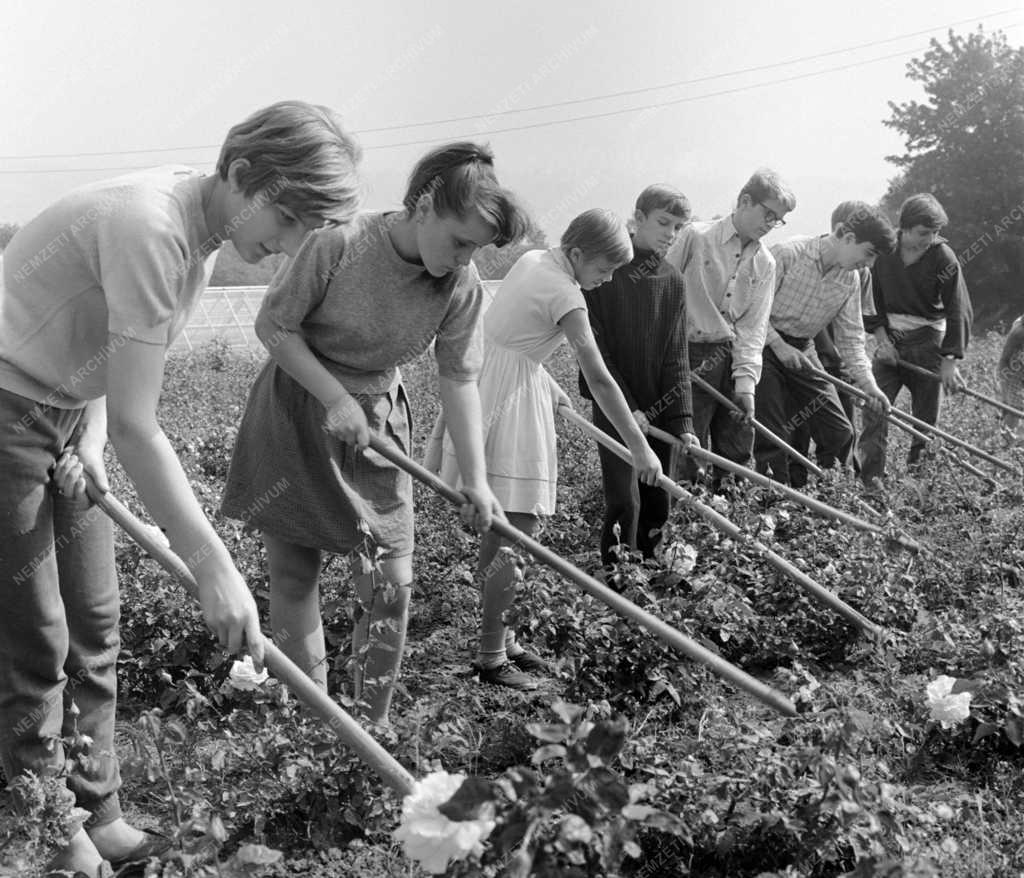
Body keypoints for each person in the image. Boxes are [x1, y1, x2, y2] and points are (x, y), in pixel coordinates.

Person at [0, 100, 361, 878]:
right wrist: (214, 566)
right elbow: (144, 427)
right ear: (241, 174)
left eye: (308, 229)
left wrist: (87, 433)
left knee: (96, 619)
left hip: (66, 410)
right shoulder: (152, 227)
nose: (289, 246)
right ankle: (52, 831)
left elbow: (108, 361)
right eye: (288, 217)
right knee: (34, 635)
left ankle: (101, 811)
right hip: (7, 404)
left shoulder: (196, 233)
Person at [221, 142, 528, 727]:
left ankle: (372, 727)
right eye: (460, 241)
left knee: (391, 581)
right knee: (294, 572)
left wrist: (479, 483)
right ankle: (312, 728)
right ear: (425, 204)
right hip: (297, 409)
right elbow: (275, 324)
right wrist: (333, 397)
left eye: (477, 250)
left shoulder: (460, 285)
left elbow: (460, 377)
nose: (466, 259)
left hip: (379, 423)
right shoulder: (338, 243)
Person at [435, 209, 663, 690]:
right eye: (601, 270)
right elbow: (599, 378)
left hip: (489, 379)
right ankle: (492, 657)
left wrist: (546, 384)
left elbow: (515, 336)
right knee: (517, 531)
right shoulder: (567, 293)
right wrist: (639, 448)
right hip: (507, 401)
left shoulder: (536, 259)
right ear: (578, 254)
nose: (603, 281)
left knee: (508, 531)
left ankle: (505, 640)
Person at [579, 184, 698, 567]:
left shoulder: (673, 280)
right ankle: (617, 577)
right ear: (639, 217)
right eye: (663, 222)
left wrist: (682, 422)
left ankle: (648, 570)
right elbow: (597, 352)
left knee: (657, 494)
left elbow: (676, 356)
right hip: (613, 402)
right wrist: (628, 408)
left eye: (678, 227)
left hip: (660, 406)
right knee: (624, 497)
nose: (670, 233)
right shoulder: (606, 271)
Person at [664, 169, 794, 487]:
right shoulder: (695, 236)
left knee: (737, 442)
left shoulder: (766, 263)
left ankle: (730, 519)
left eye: (778, 219)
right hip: (688, 352)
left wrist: (746, 385)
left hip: (731, 355)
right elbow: (662, 294)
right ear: (745, 201)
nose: (770, 223)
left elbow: (753, 328)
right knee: (688, 444)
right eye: (768, 213)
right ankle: (683, 522)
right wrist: (669, 357)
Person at [754, 202, 895, 485]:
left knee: (840, 432)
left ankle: (834, 496)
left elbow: (851, 339)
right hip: (762, 345)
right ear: (846, 236)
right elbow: (751, 312)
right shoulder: (787, 254)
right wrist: (780, 346)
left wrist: (870, 387)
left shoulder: (851, 279)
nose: (869, 264)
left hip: (803, 348)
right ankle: (773, 505)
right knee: (773, 434)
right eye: (868, 253)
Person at [859, 194, 973, 485]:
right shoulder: (884, 253)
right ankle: (872, 485)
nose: (929, 239)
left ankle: (917, 487)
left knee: (924, 423)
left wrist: (949, 360)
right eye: (923, 233)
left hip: (928, 341)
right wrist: (882, 340)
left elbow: (958, 307)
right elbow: (872, 301)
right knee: (874, 408)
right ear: (905, 227)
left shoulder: (942, 257)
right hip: (890, 342)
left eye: (934, 233)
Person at [787, 201, 876, 485]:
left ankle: (837, 489)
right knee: (792, 431)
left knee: (840, 432)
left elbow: (853, 330)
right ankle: (789, 496)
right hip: (795, 354)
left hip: (833, 363)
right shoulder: (798, 256)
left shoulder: (858, 273)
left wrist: (865, 380)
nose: (867, 260)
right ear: (840, 232)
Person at [997, 314, 1024, 436]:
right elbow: (1004, 359)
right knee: (1014, 411)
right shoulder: (1019, 332)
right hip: (1012, 376)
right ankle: (1003, 445)